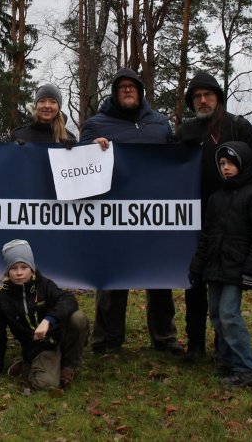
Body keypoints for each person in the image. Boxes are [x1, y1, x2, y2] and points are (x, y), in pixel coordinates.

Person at [79, 67, 182, 355]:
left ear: (140, 91)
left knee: (159, 279)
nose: (127, 90)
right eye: (122, 86)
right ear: (114, 92)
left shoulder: (160, 124)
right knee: (112, 280)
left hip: (154, 216)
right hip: (111, 217)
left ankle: (164, 338)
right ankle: (107, 341)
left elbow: (175, 160)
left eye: (132, 86)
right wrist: (89, 147)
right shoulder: (97, 124)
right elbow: (78, 163)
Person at [178, 72, 252, 363]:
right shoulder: (185, 131)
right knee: (195, 284)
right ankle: (195, 344)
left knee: (223, 285)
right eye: (197, 96)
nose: (203, 100)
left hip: (231, 220)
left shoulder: (238, 127)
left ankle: (224, 348)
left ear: (218, 98)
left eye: (208, 95)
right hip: (192, 219)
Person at [188, 142, 252, 388]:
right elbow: (207, 235)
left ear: (243, 164)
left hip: (237, 268)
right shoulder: (216, 198)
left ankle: (247, 368)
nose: (226, 168)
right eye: (222, 164)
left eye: (231, 163)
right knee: (215, 314)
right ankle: (227, 360)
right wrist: (198, 264)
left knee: (229, 314)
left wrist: (251, 268)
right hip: (214, 267)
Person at [0, 240, 90, 390]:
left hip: (59, 336)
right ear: (7, 271)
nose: (19, 273)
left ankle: (69, 367)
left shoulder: (44, 285)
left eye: (24, 267)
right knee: (45, 384)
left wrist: (48, 320)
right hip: (39, 348)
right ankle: (27, 366)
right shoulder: (0, 300)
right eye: (13, 268)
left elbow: (68, 300)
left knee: (78, 319)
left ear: (32, 268)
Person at [9, 84, 77, 144]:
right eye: (42, 101)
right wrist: (15, 150)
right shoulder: (19, 135)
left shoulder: (69, 138)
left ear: (59, 107)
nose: (47, 106)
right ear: (36, 106)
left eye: (53, 102)